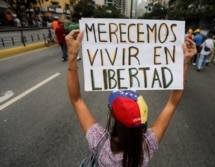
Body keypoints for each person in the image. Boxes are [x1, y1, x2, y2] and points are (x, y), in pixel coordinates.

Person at [66, 29, 197, 167]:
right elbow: (172, 103)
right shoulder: (146, 149)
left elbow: (77, 100)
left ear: (113, 116)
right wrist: (186, 62)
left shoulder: (99, 142)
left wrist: (72, 56)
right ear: (143, 122)